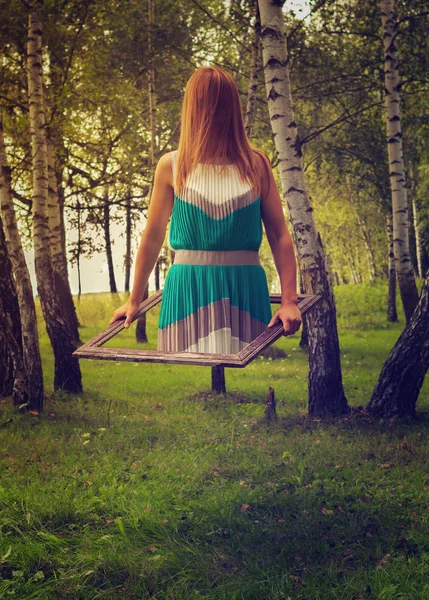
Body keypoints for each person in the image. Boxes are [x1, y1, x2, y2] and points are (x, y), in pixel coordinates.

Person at [110, 65, 301, 353]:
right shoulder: (171, 165)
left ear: (232, 108)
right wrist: (134, 300)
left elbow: (279, 235)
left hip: (244, 291)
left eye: (220, 105)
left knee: (245, 362)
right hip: (188, 291)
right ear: (193, 109)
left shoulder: (257, 164)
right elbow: (152, 237)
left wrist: (289, 302)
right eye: (206, 105)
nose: (213, 114)